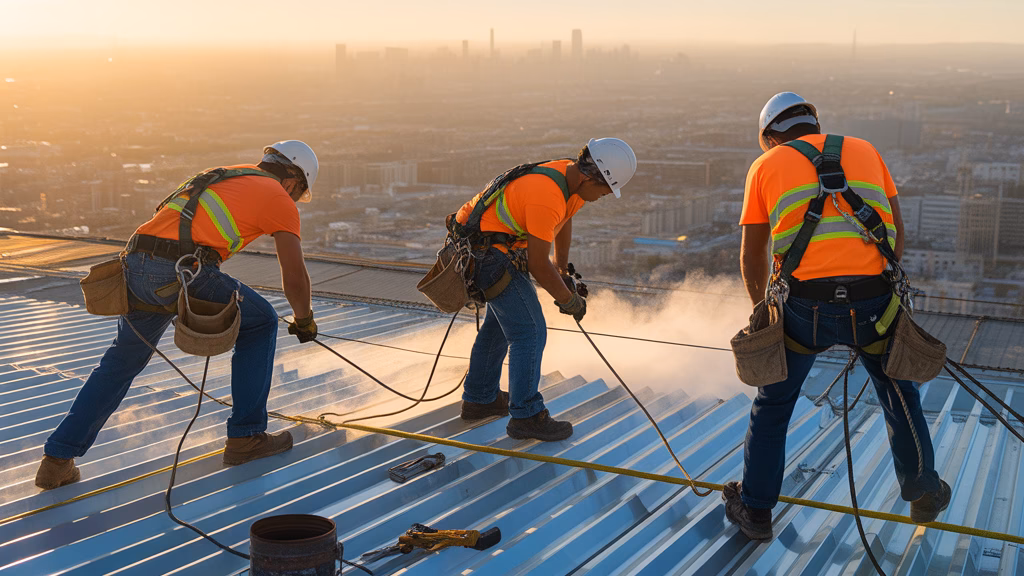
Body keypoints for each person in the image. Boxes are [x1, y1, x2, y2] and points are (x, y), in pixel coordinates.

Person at [723, 93, 950, 539]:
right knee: (897, 391)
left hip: (803, 306)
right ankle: (923, 493)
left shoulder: (764, 165)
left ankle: (755, 511)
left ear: (769, 136)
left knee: (774, 405)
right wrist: (883, 287)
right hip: (873, 302)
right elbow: (896, 231)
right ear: (814, 124)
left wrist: (761, 311)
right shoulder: (865, 149)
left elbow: (752, 253)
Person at [35, 141, 321, 490]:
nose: (292, 202)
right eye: (296, 195)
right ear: (292, 182)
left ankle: (57, 460)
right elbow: (293, 275)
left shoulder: (223, 174)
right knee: (260, 322)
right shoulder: (276, 196)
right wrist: (304, 319)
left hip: (135, 265)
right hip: (180, 268)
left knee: (121, 362)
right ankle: (246, 438)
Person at [454, 138, 637, 441]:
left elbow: (562, 221)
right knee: (530, 332)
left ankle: (479, 399)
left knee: (500, 327)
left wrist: (562, 270)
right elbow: (538, 264)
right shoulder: (546, 194)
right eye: (603, 191)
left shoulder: (570, 179)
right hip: (489, 256)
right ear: (591, 178)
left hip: (492, 249)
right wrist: (569, 300)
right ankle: (526, 415)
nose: (602, 197)